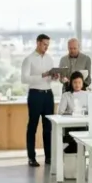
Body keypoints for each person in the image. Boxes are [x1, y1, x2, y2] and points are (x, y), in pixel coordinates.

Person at [20, 34, 61, 168]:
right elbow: (24, 79)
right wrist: (42, 75)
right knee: (32, 126)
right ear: (38, 43)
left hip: (48, 94)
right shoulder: (29, 59)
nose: (46, 47)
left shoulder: (49, 59)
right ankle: (31, 157)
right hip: (35, 94)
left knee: (48, 127)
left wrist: (54, 76)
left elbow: (49, 79)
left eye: (48, 45)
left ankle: (49, 157)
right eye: (44, 44)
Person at [60, 72, 90, 154]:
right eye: (75, 82)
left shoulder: (87, 94)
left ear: (83, 83)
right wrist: (72, 113)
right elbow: (60, 112)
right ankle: (74, 149)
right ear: (71, 83)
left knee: (84, 132)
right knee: (75, 139)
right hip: (71, 125)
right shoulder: (66, 95)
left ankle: (77, 150)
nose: (77, 85)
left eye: (79, 82)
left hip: (83, 124)